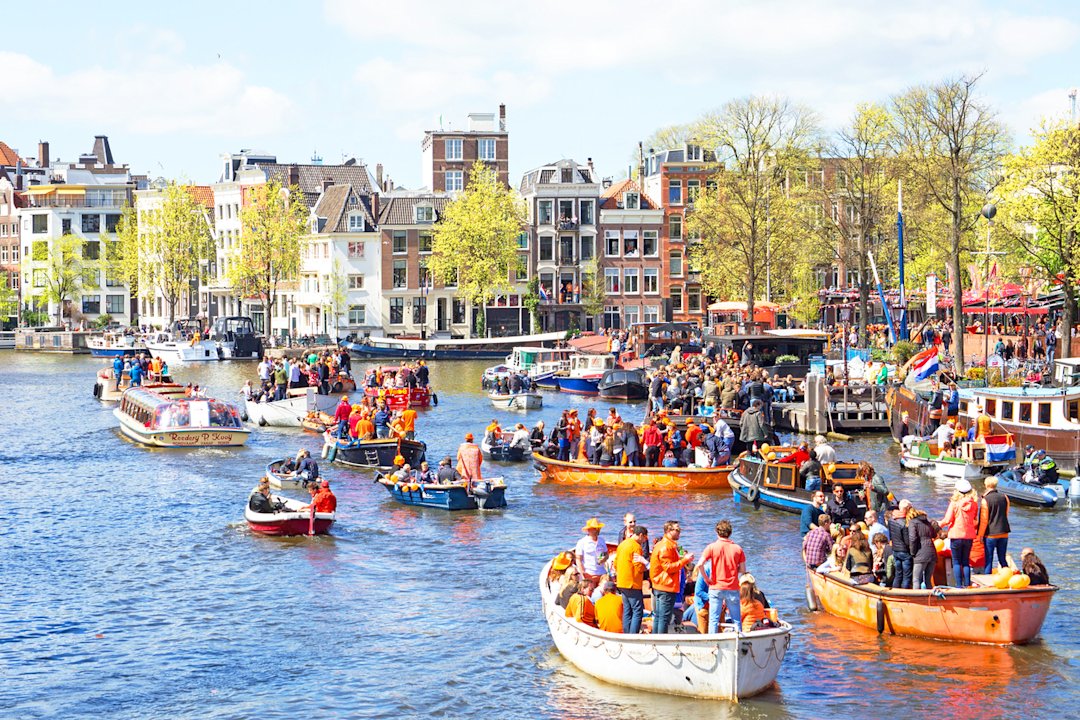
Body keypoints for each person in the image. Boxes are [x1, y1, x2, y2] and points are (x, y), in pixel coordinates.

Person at [696, 519, 746, 633]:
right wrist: (733, 570)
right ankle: (738, 639)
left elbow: (699, 564)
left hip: (716, 587)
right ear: (730, 533)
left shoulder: (711, 547)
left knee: (713, 620)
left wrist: (706, 578)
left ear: (717, 532)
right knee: (736, 620)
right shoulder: (738, 549)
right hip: (732, 587)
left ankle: (713, 641)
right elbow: (743, 570)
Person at [650, 521, 695, 634]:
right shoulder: (666, 546)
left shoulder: (666, 545)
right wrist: (685, 560)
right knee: (664, 618)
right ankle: (661, 640)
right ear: (669, 531)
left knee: (659, 616)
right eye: (677, 530)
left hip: (661, 584)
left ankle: (655, 639)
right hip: (666, 586)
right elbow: (668, 567)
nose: (680, 532)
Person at [939, 478, 979, 587]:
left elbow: (948, 520)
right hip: (969, 535)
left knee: (956, 562)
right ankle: (967, 585)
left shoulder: (954, 504)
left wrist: (939, 524)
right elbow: (974, 519)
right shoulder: (974, 504)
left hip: (956, 535)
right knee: (966, 562)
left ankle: (959, 586)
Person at [615, 524, 649, 634]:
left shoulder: (622, 544)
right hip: (632, 584)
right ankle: (633, 635)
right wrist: (646, 567)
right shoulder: (636, 547)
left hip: (621, 582)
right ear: (640, 535)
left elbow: (615, 563)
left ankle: (626, 633)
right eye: (645, 538)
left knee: (627, 610)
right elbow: (638, 567)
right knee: (637, 611)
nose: (644, 541)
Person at [981, 476, 1011, 574]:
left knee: (988, 560)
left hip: (990, 534)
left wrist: (980, 535)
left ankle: (987, 579)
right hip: (1004, 532)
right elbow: (1006, 513)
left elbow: (984, 520)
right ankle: (1008, 576)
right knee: (1002, 558)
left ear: (986, 485)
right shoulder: (1005, 497)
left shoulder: (985, 500)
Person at [907, 506, 938, 590]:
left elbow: (913, 538)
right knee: (928, 580)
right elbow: (934, 535)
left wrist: (912, 552)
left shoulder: (913, 522)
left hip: (920, 553)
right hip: (932, 552)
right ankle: (930, 597)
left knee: (916, 579)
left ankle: (916, 597)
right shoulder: (928, 522)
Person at [888, 499, 913, 589]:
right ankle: (904, 593)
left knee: (898, 574)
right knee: (906, 576)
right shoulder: (904, 523)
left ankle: (895, 591)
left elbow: (891, 535)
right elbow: (907, 541)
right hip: (904, 552)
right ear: (907, 509)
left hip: (895, 550)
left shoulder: (891, 519)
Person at [575, 518, 608, 585]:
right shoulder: (582, 542)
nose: (597, 530)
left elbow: (606, 554)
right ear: (589, 530)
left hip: (602, 573)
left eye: (598, 528)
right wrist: (583, 573)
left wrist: (603, 558)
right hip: (589, 573)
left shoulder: (602, 540)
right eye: (595, 528)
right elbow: (578, 559)